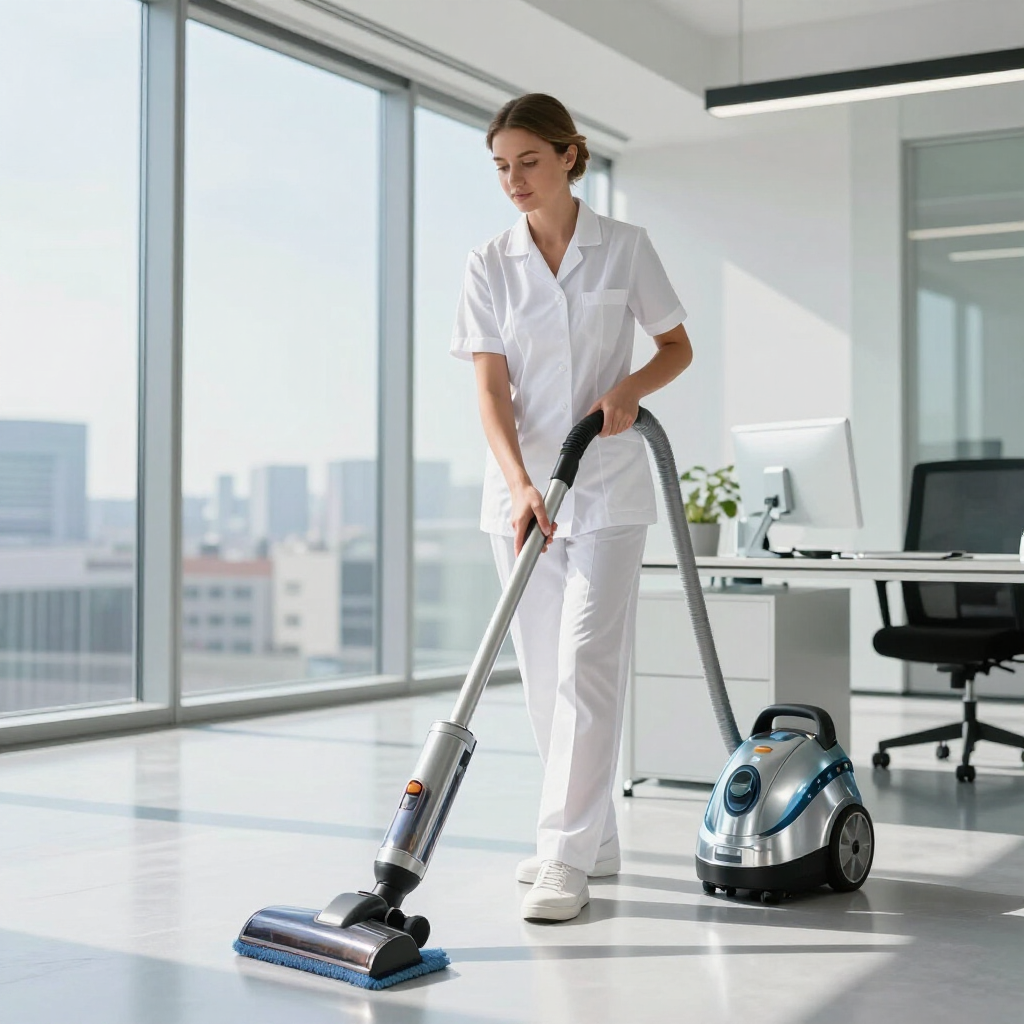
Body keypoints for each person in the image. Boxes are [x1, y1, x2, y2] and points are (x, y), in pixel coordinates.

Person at [450, 94, 693, 922]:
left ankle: (562, 855)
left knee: (588, 667)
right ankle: (596, 837)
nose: (513, 179)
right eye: (501, 166)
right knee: (547, 679)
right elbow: (489, 387)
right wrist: (519, 482)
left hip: (610, 485)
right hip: (522, 498)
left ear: (568, 155)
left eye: (528, 160)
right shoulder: (489, 262)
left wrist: (628, 389)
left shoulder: (624, 247)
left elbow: (675, 345)